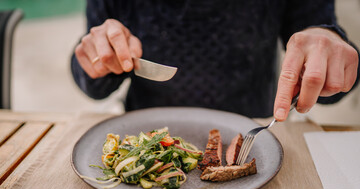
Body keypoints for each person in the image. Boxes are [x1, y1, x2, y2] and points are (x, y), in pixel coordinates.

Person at [71, 0, 359, 121]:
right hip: (144, 132)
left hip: (253, 130)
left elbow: (332, 74)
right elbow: (92, 84)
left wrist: (329, 45)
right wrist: (96, 61)